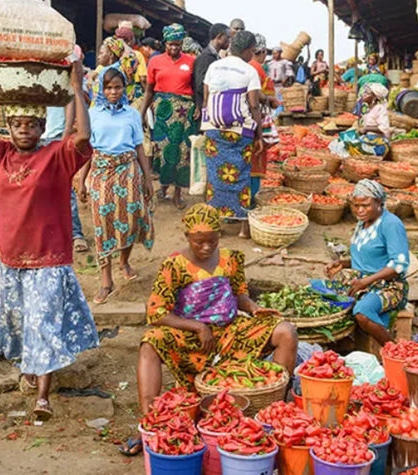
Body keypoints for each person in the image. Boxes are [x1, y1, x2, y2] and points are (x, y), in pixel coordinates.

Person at [0, 54, 99, 420]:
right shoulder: (0, 153)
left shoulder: (57, 155)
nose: (24, 130)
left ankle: (43, 397)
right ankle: (34, 376)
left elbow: (83, 135)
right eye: (17, 124)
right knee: (23, 326)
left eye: (31, 125)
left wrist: (77, 85)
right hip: (13, 259)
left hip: (49, 259)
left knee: (43, 325)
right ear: (9, 127)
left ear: (40, 128)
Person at [136, 203, 297, 443]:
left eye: (212, 241)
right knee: (150, 343)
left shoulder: (231, 259)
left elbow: (239, 293)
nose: (206, 247)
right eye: (199, 242)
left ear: (219, 236)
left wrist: (253, 308)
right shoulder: (174, 265)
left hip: (230, 331)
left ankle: (272, 411)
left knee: (286, 331)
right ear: (187, 237)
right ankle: (149, 419)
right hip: (191, 335)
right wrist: (199, 327)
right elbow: (156, 313)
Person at [80, 67, 154, 305]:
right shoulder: (93, 114)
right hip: (101, 172)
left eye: (118, 87)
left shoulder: (131, 114)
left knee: (130, 219)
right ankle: (106, 281)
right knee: (103, 224)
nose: (113, 92)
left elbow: (139, 147)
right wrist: (81, 180)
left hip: (128, 170)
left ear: (124, 88)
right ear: (102, 89)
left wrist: (147, 177)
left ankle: (124, 261)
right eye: (108, 87)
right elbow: (87, 151)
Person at [325, 180, 409, 346]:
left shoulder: (391, 224)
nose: (360, 210)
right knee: (320, 295)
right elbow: (368, 257)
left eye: (365, 205)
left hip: (389, 287)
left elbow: (399, 265)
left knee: (362, 313)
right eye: (356, 206)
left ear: (379, 202)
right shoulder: (363, 222)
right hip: (362, 283)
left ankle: (393, 350)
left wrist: (367, 281)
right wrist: (344, 263)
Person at [200, 31, 262, 238]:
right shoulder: (249, 70)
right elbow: (254, 105)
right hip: (239, 132)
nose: (252, 55)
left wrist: (205, 126)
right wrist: (259, 135)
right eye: (252, 51)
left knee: (215, 178)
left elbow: (206, 98)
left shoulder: (214, 66)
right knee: (241, 176)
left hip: (213, 130)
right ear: (245, 50)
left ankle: (214, 225)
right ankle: (243, 227)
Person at [141, 24, 198, 210]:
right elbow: (149, 90)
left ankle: (177, 193)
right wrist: (141, 113)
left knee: (182, 152)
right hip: (163, 112)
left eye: (178, 44)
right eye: (171, 44)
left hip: (184, 112)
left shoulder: (191, 61)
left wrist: (199, 106)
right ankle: (163, 187)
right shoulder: (155, 61)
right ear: (165, 43)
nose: (174, 48)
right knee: (163, 150)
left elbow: (197, 88)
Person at [43, 46, 90, 254]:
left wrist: (65, 134)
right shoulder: (41, 74)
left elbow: (71, 103)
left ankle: (76, 233)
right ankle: (49, 234)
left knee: (64, 188)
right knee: (42, 189)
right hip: (39, 137)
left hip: (57, 136)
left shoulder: (65, 76)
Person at [249, 34, 280, 200]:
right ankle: (252, 200)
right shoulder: (256, 67)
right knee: (255, 161)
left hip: (247, 119)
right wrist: (272, 100)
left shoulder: (247, 66)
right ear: (260, 51)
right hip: (256, 120)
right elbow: (258, 98)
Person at [90, 37, 139, 106]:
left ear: (111, 55)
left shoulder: (113, 70)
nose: (98, 57)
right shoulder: (103, 68)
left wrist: (123, 43)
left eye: (101, 53)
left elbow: (131, 56)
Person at [193, 23, 231, 113]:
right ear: (219, 37)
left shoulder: (215, 57)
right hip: (206, 108)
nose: (229, 41)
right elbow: (200, 86)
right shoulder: (205, 57)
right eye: (228, 38)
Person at [346, 83, 391, 157]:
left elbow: (384, 128)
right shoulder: (368, 109)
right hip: (368, 139)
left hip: (379, 143)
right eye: (365, 92)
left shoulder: (380, 108)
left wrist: (366, 129)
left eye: (367, 93)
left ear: (375, 97)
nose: (364, 94)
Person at [114, 25, 148, 109]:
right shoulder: (136, 55)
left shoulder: (112, 54)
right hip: (134, 94)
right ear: (129, 40)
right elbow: (143, 79)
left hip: (115, 93)